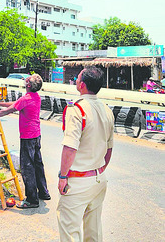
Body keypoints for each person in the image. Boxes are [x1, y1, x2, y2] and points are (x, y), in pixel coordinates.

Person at [57, 67, 114, 242]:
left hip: (78, 182)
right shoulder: (107, 110)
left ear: (81, 85)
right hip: (99, 179)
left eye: (77, 78)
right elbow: (109, 149)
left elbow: (70, 148)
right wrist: (99, 169)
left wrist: (62, 176)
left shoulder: (77, 110)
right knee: (94, 231)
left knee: (70, 232)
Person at [0, 73, 50, 208]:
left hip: (28, 137)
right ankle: (43, 192)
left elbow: (9, 110)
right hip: (36, 135)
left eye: (27, 79)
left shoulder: (26, 99)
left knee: (27, 168)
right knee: (37, 165)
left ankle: (31, 200)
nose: (25, 80)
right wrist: (0, 103)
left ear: (29, 85)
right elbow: (16, 104)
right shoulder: (34, 97)